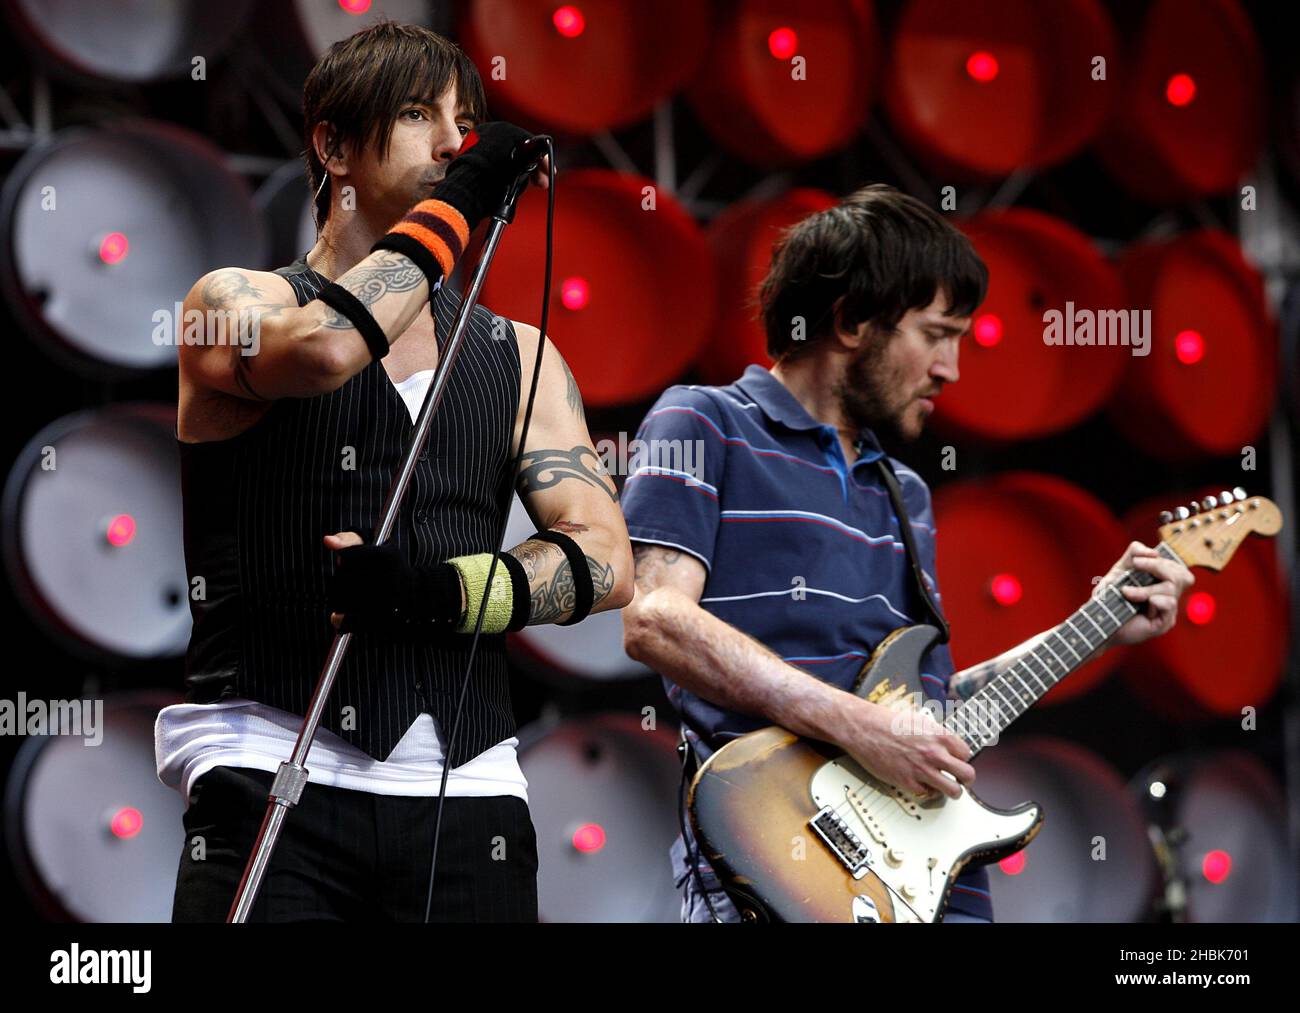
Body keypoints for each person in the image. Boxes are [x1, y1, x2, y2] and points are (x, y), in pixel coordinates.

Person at [158, 20, 633, 922]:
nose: (456, 145)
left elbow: (606, 558)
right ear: (332, 145)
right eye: (421, 115)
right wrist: (461, 202)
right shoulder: (231, 303)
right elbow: (332, 345)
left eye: (466, 123)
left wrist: (439, 593)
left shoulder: (517, 353)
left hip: (471, 792)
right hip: (270, 767)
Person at [619, 184, 1194, 923]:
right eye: (937, 333)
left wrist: (1095, 622)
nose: (952, 369)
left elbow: (929, 707)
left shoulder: (906, 493)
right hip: (776, 872)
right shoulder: (700, 420)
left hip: (933, 884)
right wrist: (861, 727)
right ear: (853, 319)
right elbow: (656, 619)